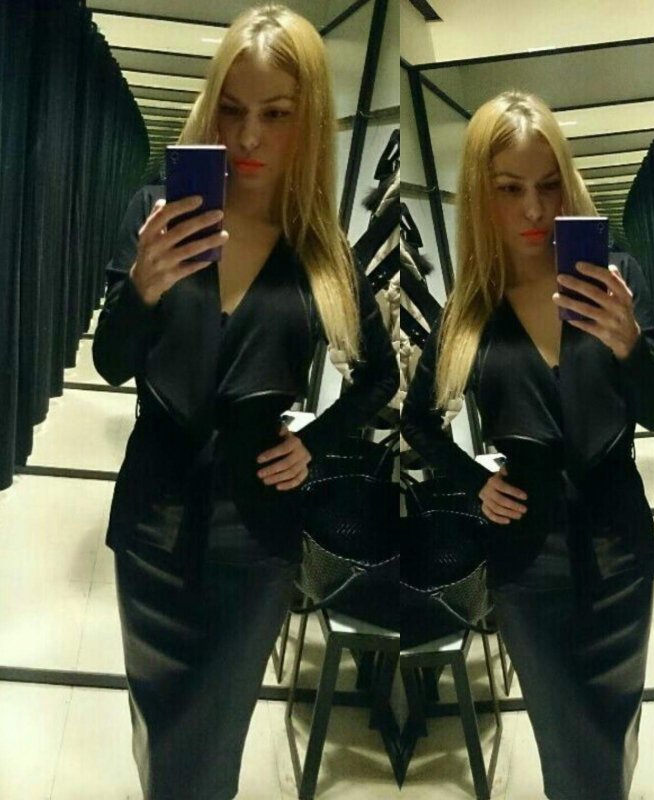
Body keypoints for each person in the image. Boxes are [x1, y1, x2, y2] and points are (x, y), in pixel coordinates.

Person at [92, 5, 398, 799]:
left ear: (310, 120)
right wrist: (141, 290)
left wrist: (315, 444)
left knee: (216, 731)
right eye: (231, 109)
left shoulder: (319, 251)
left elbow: (380, 378)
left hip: (255, 539)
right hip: (152, 522)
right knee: (160, 723)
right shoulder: (158, 214)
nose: (247, 136)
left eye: (276, 114)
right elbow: (111, 363)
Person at [400, 90, 654, 800]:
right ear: (479, 194)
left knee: (612, 730)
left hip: (619, 551)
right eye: (510, 189)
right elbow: (420, 423)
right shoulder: (471, 309)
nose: (534, 209)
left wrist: (630, 345)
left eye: (549, 185)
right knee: (562, 736)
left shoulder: (614, 279)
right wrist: (474, 483)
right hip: (527, 566)